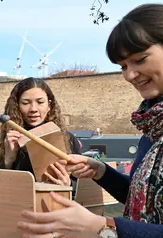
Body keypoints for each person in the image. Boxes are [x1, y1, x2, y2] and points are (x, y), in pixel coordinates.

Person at [16, 3, 163, 238]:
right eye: (123, 66)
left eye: (140, 59)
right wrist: (101, 171)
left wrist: (104, 227)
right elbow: (139, 198)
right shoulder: (153, 126)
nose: (129, 75)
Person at [0, 77, 81, 187]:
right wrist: (8, 160)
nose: (33, 109)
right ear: (17, 106)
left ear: (49, 106)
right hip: (18, 202)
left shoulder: (68, 138)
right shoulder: (3, 141)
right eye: (25, 103)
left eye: (40, 102)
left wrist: (69, 184)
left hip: (56, 202)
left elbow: (81, 185)